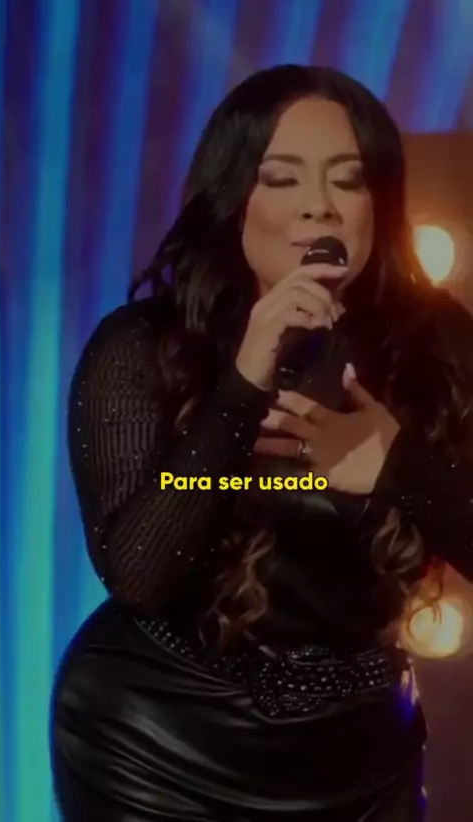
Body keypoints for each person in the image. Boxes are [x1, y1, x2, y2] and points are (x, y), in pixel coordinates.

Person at [50, 64, 473, 821]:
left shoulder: (435, 344)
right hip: (157, 738)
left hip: (359, 748)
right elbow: (139, 573)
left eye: (348, 180)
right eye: (282, 178)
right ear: (235, 198)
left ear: (378, 201)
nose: (320, 205)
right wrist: (242, 388)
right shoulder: (146, 346)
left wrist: (398, 465)